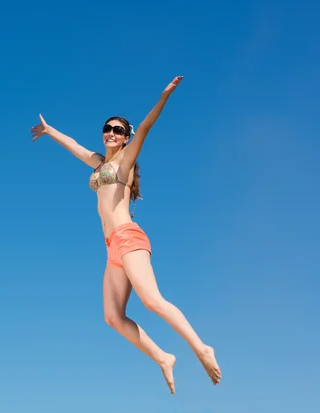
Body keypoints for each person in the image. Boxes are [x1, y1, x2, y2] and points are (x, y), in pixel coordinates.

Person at [30, 76, 221, 394]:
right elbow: (77, 147)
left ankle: (202, 348)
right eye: (107, 127)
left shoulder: (125, 162)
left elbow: (145, 127)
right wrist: (50, 132)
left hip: (128, 237)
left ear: (125, 137)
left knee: (152, 301)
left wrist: (163, 98)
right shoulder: (98, 163)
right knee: (113, 317)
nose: (111, 133)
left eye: (118, 130)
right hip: (111, 248)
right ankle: (163, 357)